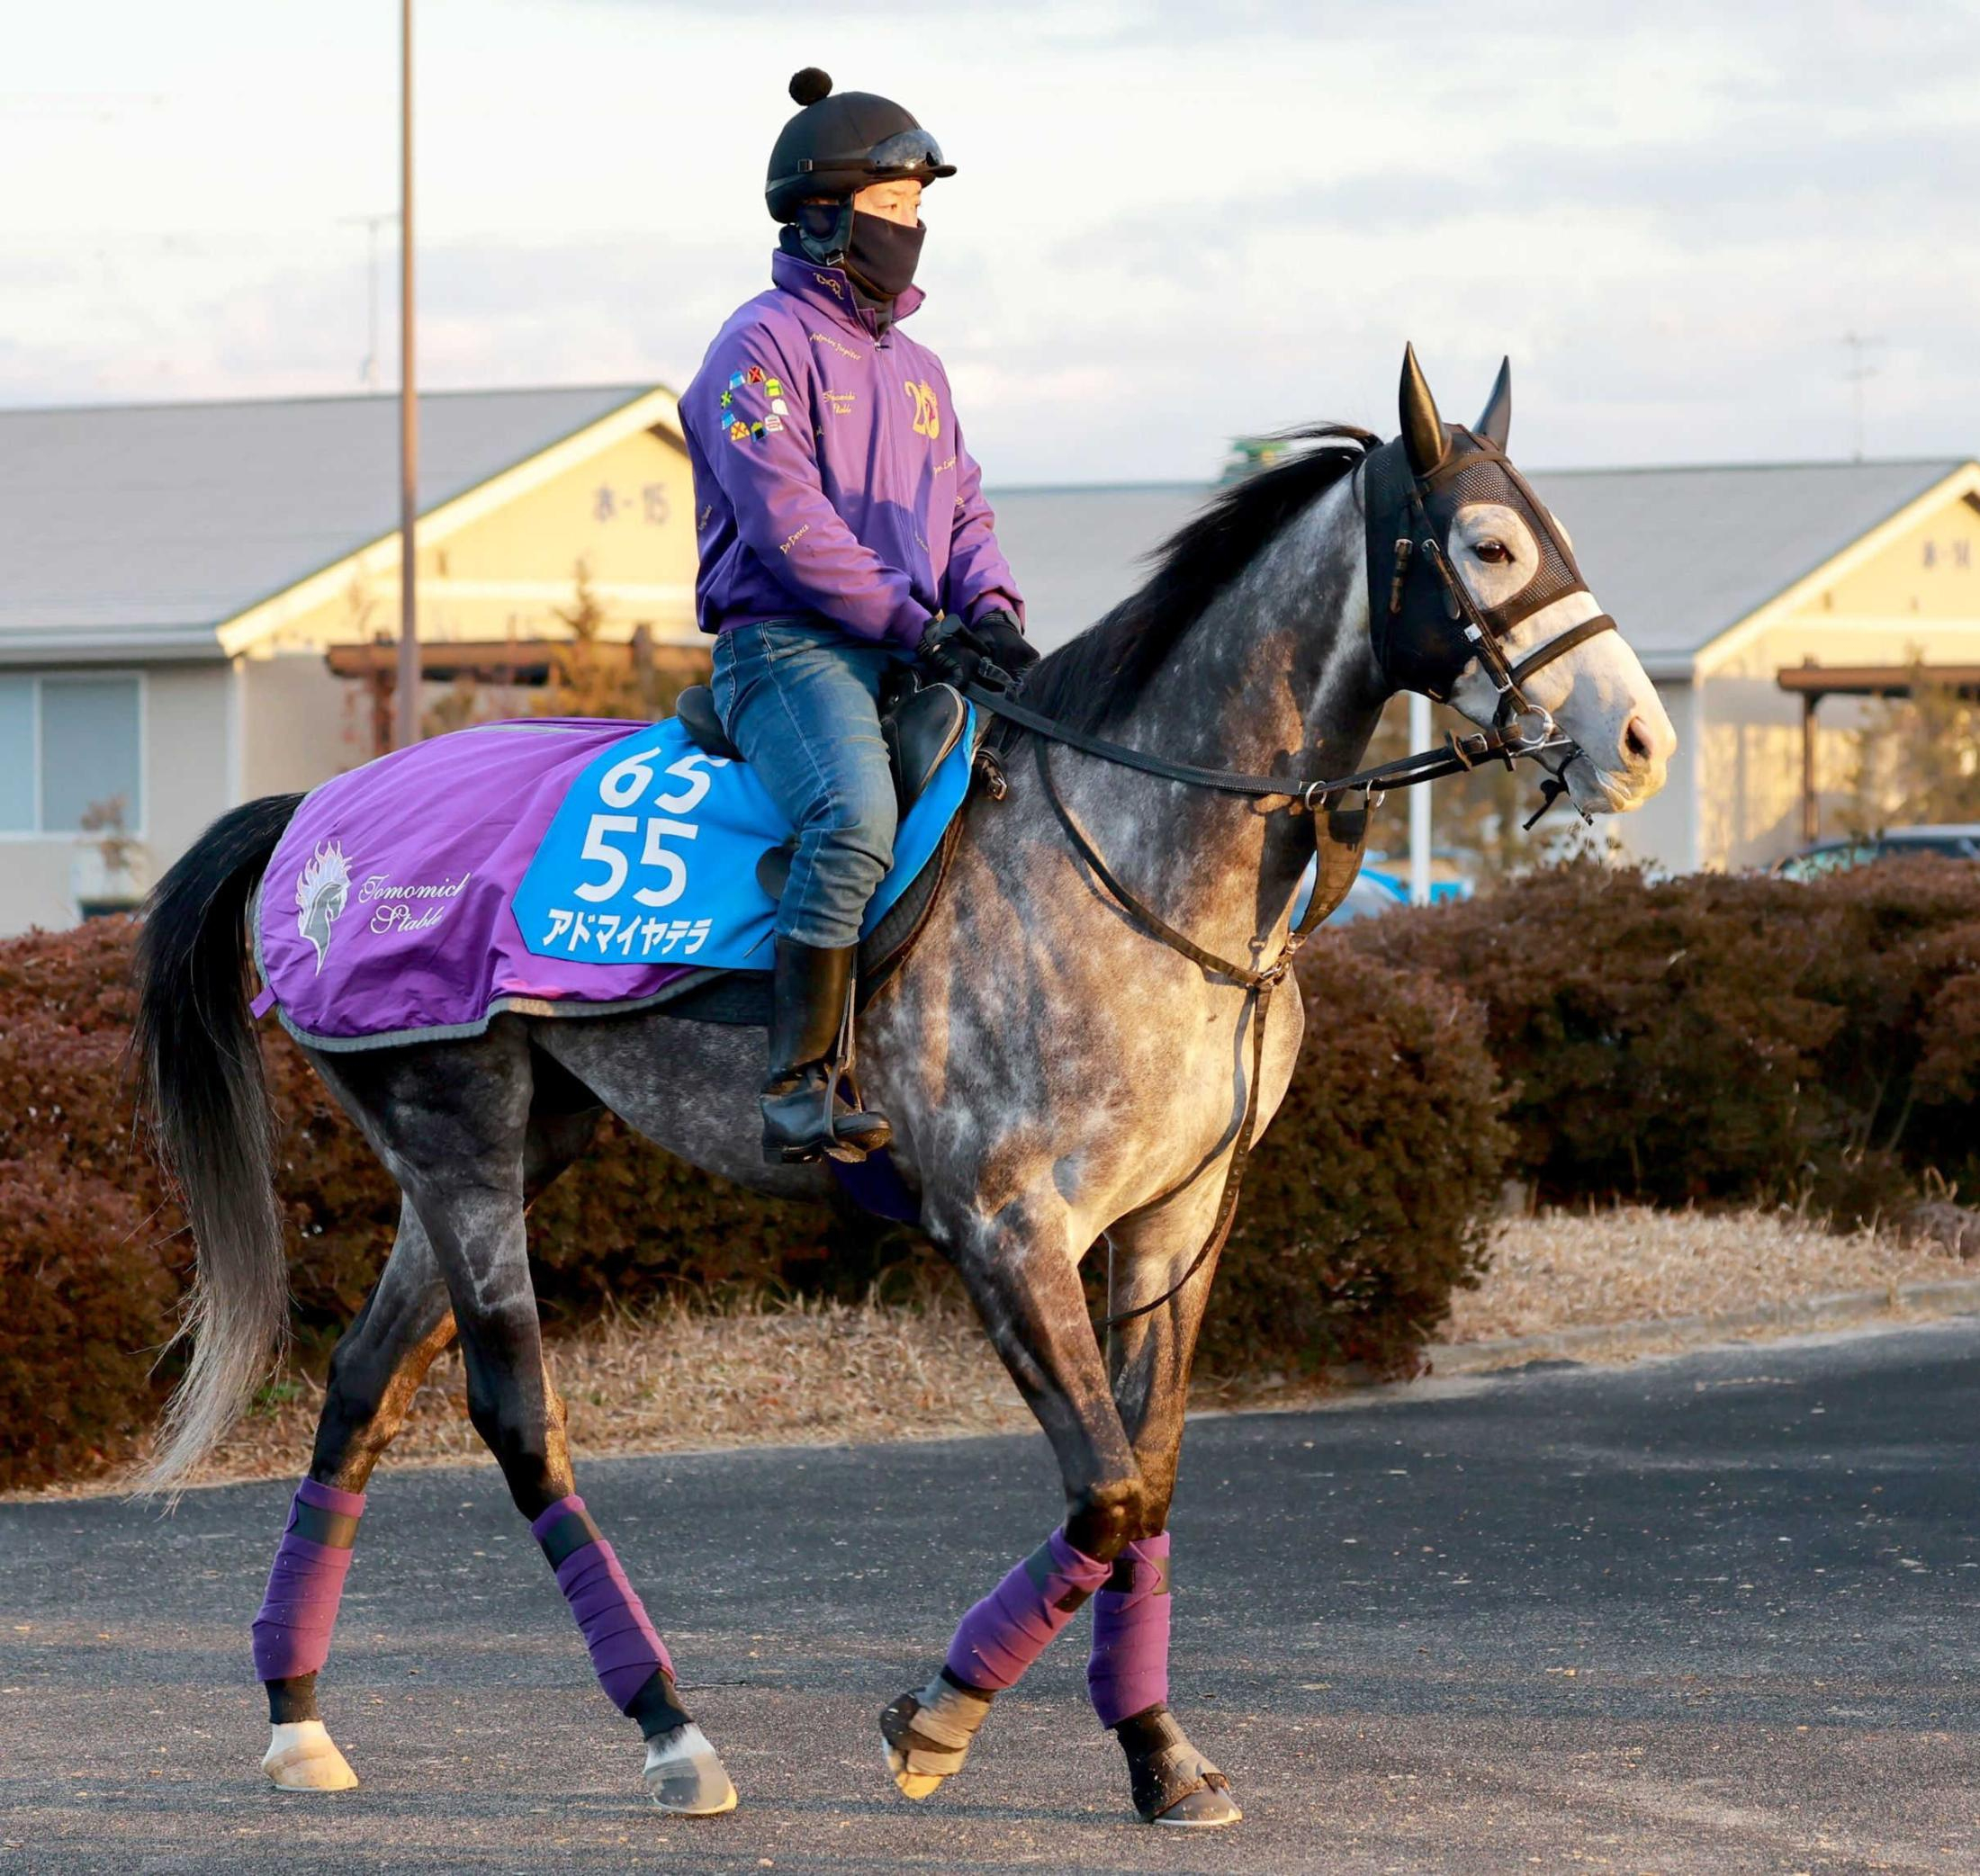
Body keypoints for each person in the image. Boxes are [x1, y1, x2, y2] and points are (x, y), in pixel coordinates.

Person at [679, 67, 1035, 1166]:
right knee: (853, 816)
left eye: (919, 212)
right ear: (823, 216)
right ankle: (796, 1082)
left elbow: (961, 507)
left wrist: (992, 610)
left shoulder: (919, 368)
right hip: (786, 650)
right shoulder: (756, 348)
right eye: (893, 211)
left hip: (902, 645)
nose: (911, 231)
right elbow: (786, 524)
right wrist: (911, 620)